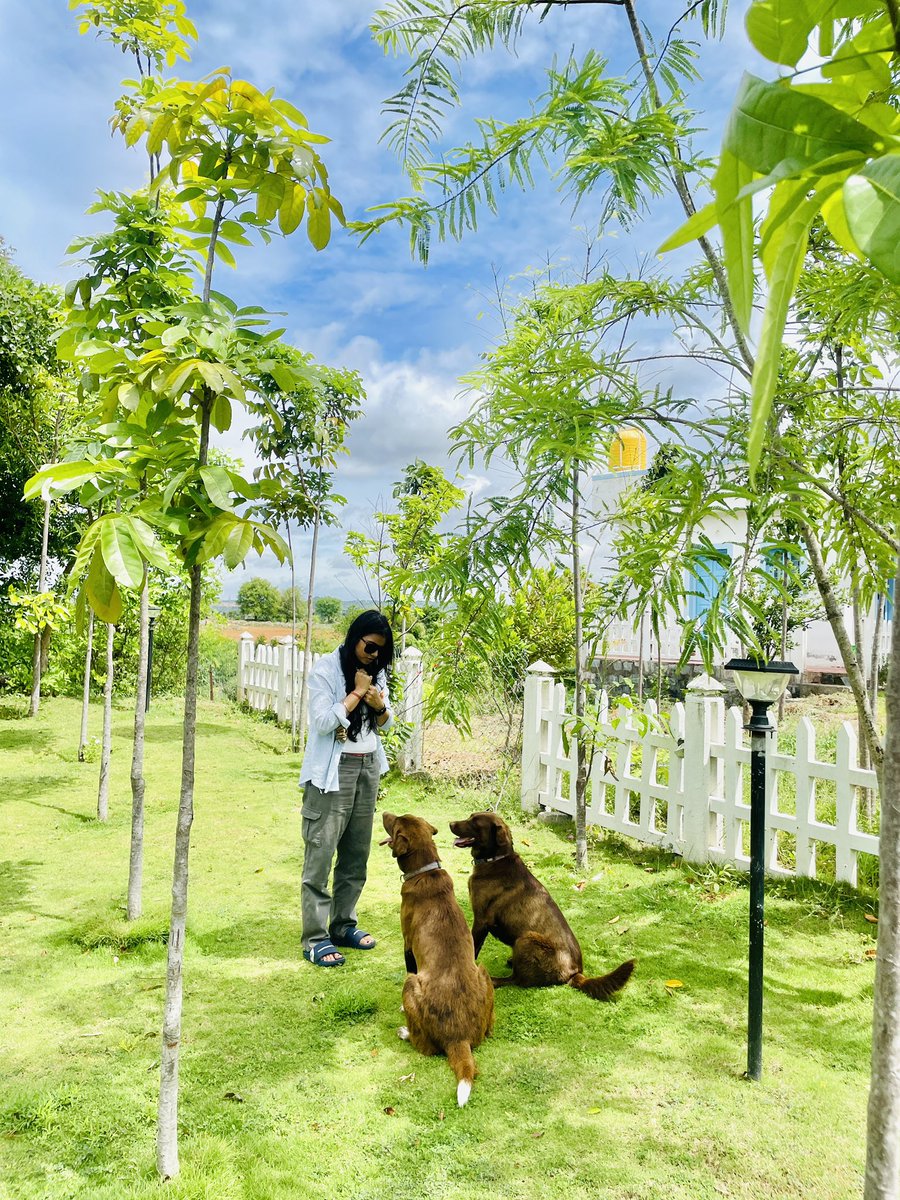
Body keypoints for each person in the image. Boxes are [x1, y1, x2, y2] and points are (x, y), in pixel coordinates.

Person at [298, 610, 394, 966]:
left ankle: (342, 924)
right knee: (321, 854)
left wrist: (379, 705)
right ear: (355, 637)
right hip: (331, 772)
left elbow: (386, 721)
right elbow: (323, 722)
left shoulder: (377, 672)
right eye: (370, 647)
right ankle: (315, 937)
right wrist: (356, 693)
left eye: (381, 651)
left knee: (356, 854)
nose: (374, 656)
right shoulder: (325, 669)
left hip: (368, 767)